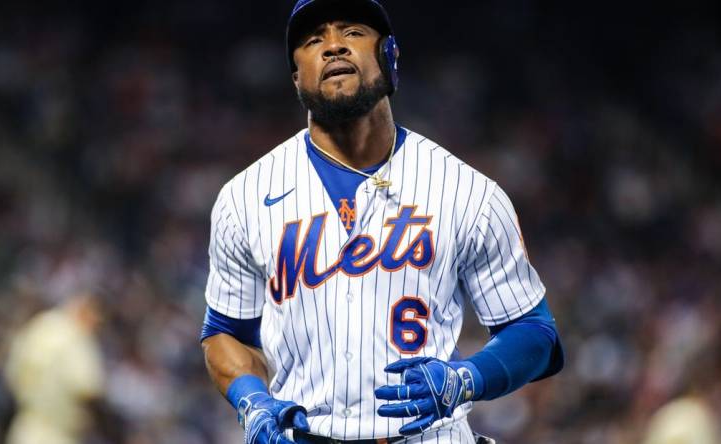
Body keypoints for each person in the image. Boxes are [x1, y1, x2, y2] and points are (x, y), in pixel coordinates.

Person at [200, 1, 564, 443]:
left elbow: (533, 331)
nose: (333, 46)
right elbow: (225, 334)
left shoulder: (468, 191)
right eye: (314, 40)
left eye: (352, 32)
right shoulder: (244, 197)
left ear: (389, 55)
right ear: (297, 77)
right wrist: (251, 399)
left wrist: (467, 377)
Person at [4, 293, 104, 444]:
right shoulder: (77, 339)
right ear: (87, 312)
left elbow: (14, 365)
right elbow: (88, 388)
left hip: (25, 423)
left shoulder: (44, 323)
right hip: (56, 434)